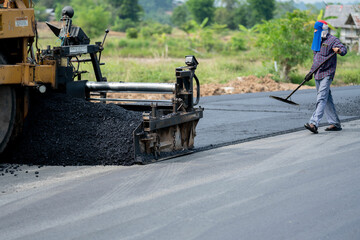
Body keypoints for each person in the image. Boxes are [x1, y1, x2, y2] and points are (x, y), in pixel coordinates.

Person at [304, 20, 347, 134]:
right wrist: (310, 73)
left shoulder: (332, 40)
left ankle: (314, 123)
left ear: (323, 30)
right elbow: (316, 60)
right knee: (327, 99)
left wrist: (339, 50)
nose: (314, 31)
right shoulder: (316, 40)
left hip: (327, 74)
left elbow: (344, 49)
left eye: (316, 29)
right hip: (318, 74)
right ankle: (335, 123)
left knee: (321, 98)